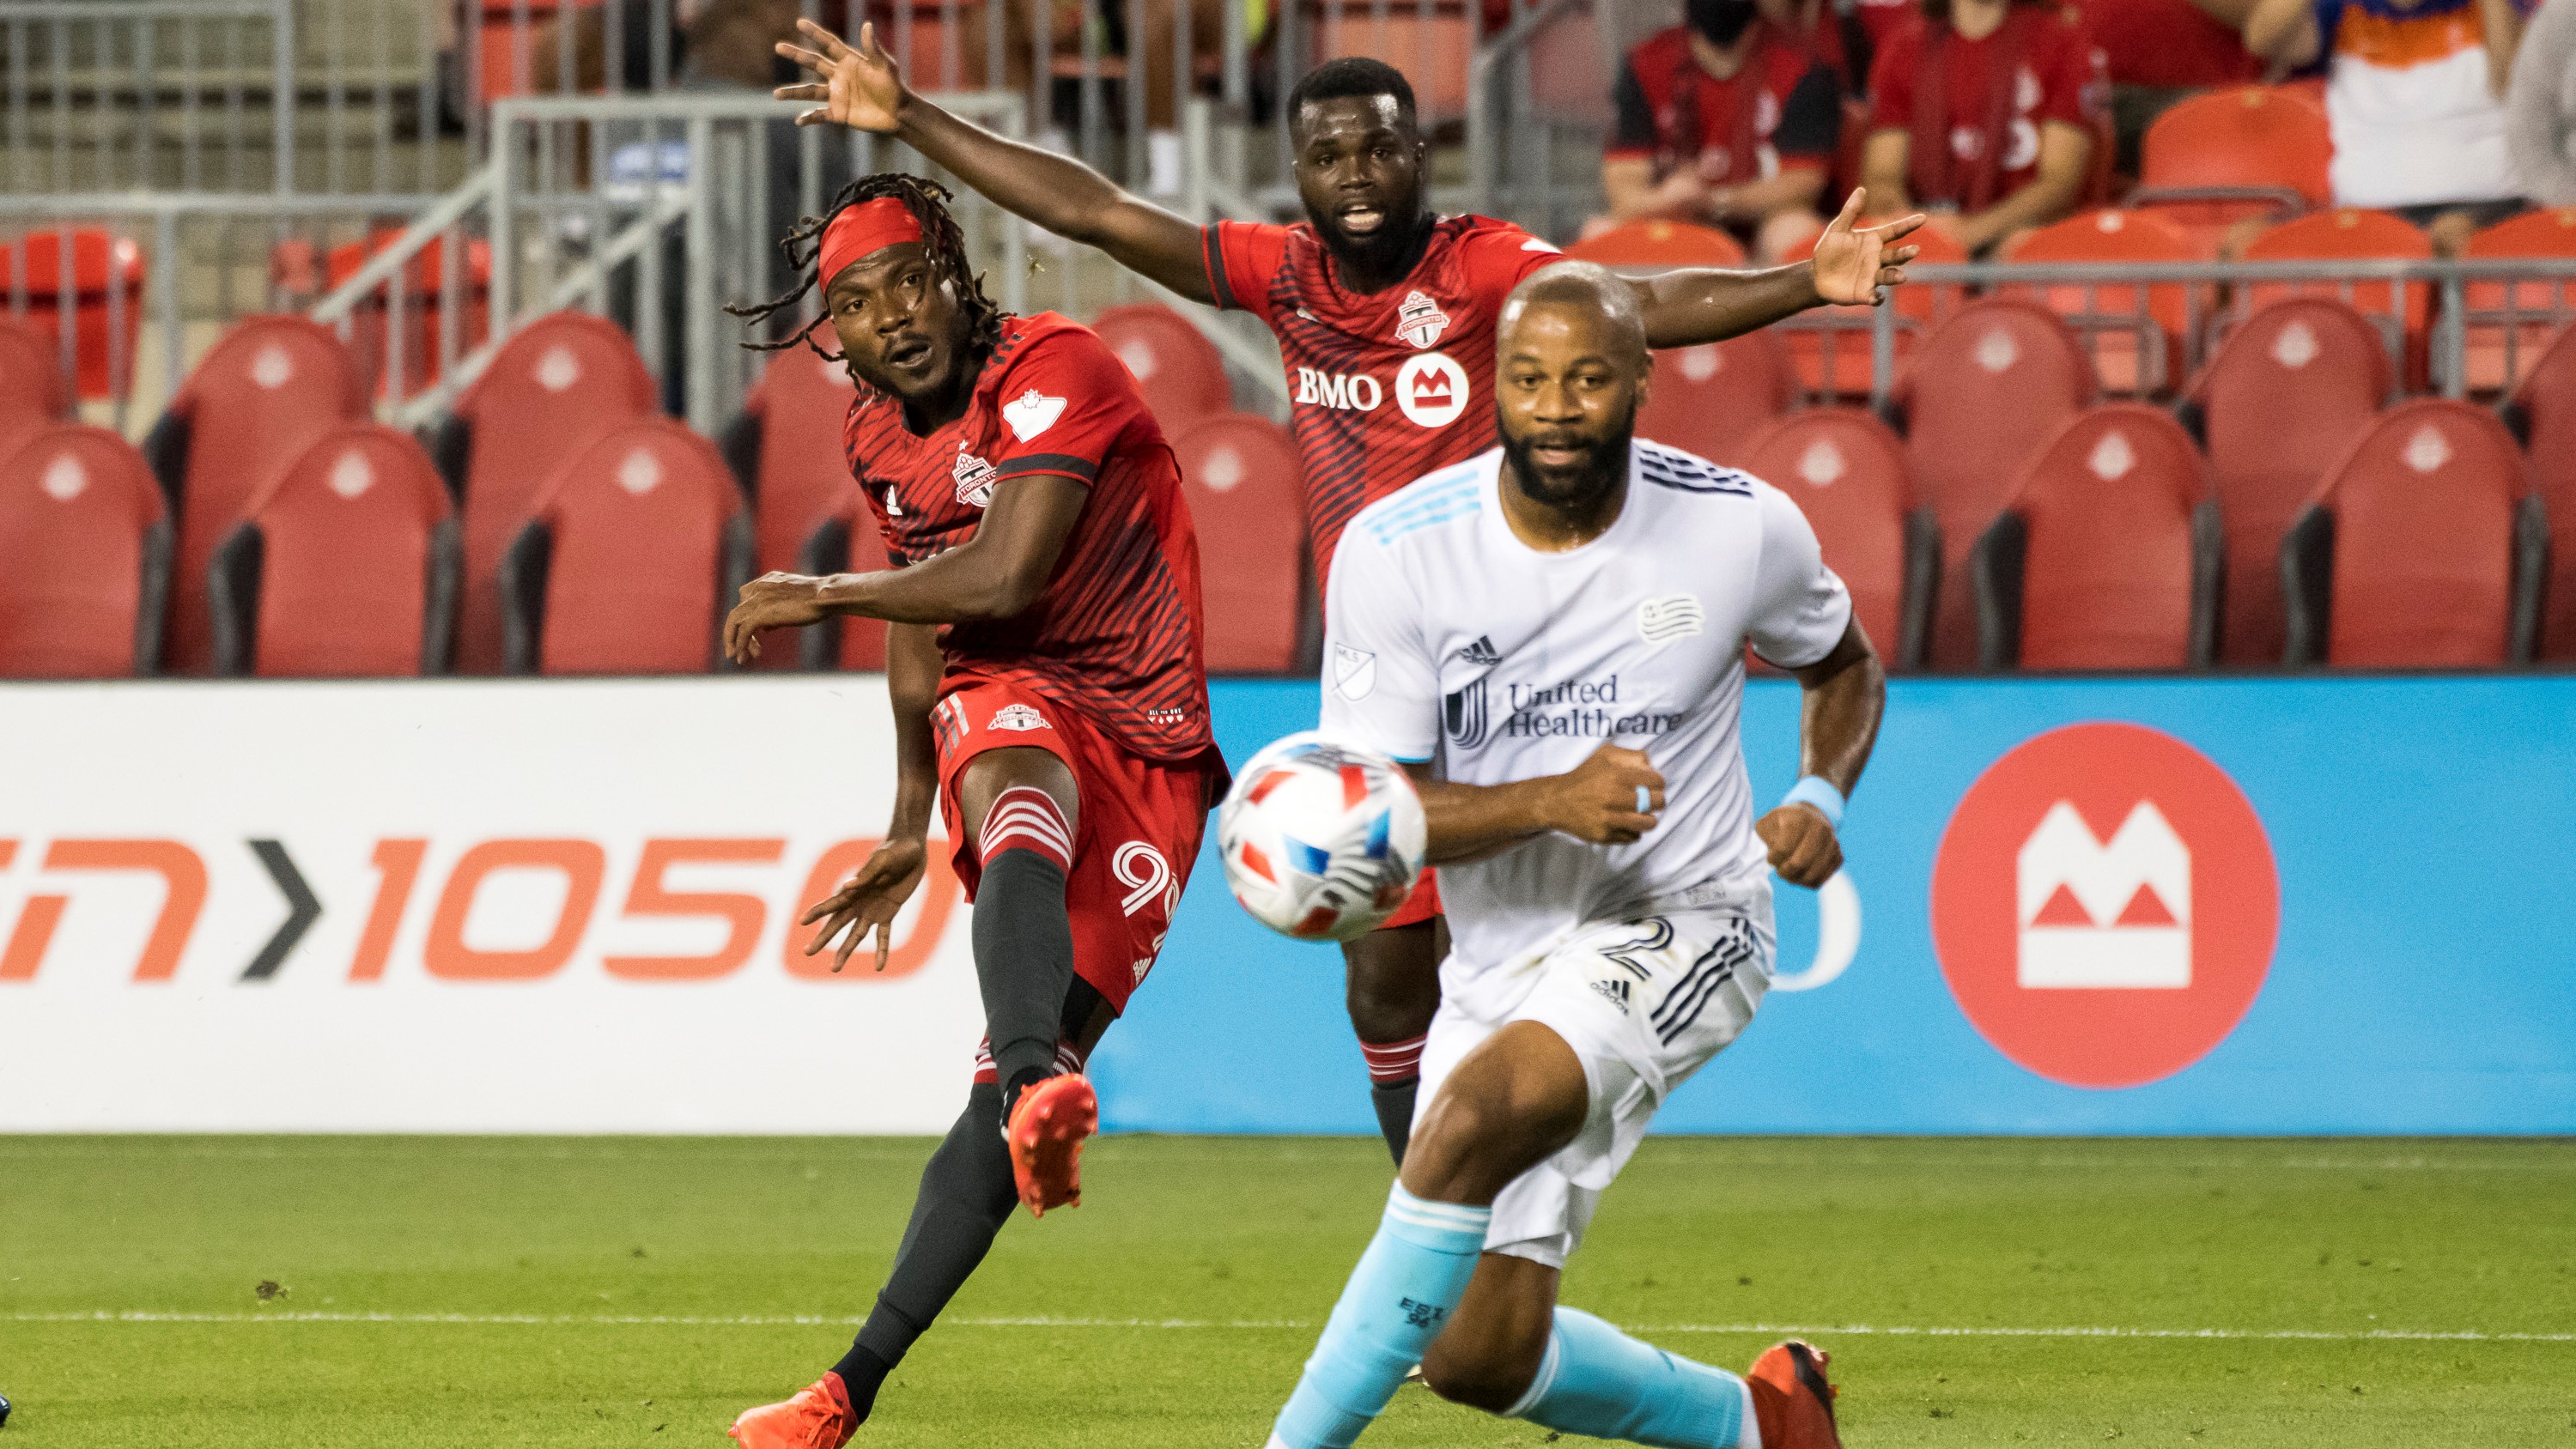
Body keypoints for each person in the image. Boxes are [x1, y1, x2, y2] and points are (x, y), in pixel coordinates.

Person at [774, 25, 1920, 1168]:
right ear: (1299, 173)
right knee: (1383, 982)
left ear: (1420, 156)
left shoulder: (1481, 269)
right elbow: (1098, 212)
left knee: (1538, 962)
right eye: (1329, 157)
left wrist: (1803, 284)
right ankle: (1439, 1215)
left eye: (1379, 150)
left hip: (1517, 663)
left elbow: (1629, 303)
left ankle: (1513, 1180)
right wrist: (911, 115)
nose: (1356, 177)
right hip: (1385, 668)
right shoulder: (1284, 278)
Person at [1267, 259, 1886, 1449]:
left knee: (1468, 1119)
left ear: (1642, 380)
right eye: (1530, 379)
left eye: (1589, 379)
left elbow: (1845, 661)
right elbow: (1375, 807)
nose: (1556, 407)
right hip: (1497, 957)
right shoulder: (1399, 552)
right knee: (1475, 1354)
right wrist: (1550, 799)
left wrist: (1819, 794)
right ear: (1493, 385)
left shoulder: (1737, 524)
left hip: (1686, 915)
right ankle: (1761, 1425)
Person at [716, 173, 1230, 1449]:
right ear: (833, 332)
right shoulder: (876, 435)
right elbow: (932, 613)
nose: (889, 314)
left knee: (992, 1089)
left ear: (952, 276)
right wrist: (907, 814)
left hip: (1153, 736)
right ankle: (839, 1397)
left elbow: (1003, 571)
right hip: (1013, 686)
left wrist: (820, 594)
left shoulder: (1056, 368)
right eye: (854, 302)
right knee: (1014, 799)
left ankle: (1025, 1084)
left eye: (907, 280)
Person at [2247, 0, 2534, 253]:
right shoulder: (2339, 8)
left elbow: (2513, 85)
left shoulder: (2494, 6)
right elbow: (2261, 40)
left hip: (2487, 205)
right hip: (2366, 215)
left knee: (2450, 237)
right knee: (2249, 241)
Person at [1593, 0, 1844, 262]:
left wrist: (1716, 201)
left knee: (1794, 231)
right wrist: (1667, 198)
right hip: (1677, 220)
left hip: (1762, 224)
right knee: (1601, 233)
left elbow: (1803, 184)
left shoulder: (1802, 66)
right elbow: (1624, 191)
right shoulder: (1646, 62)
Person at [1859, 0, 2109, 255]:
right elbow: (1881, 179)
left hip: (2020, 236)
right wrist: (1917, 228)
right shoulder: (1903, 48)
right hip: (1928, 236)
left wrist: (1971, 233)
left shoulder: (2061, 41)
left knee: (2025, 246)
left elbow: (2059, 182)